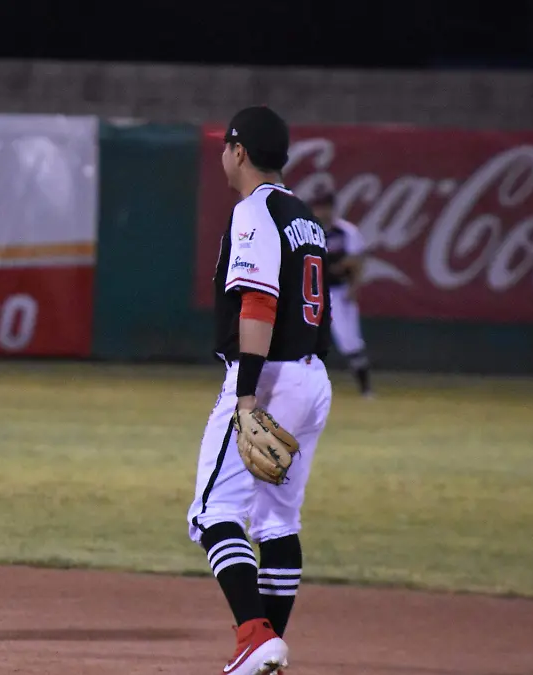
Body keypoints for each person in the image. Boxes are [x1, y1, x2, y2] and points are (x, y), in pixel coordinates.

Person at [187, 106, 334, 675]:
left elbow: (258, 303)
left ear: (239, 151)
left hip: (267, 376)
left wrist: (247, 395)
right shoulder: (306, 218)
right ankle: (266, 648)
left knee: (213, 511)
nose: (223, 156)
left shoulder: (254, 211)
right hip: (311, 376)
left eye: (226, 147)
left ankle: (254, 638)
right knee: (277, 522)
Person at [307, 190, 374, 397]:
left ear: (332, 208)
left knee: (349, 340)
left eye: (324, 207)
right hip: (311, 292)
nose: (320, 211)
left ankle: (366, 390)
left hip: (338, 290)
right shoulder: (307, 230)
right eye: (317, 207)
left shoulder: (346, 232)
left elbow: (357, 261)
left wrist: (354, 287)